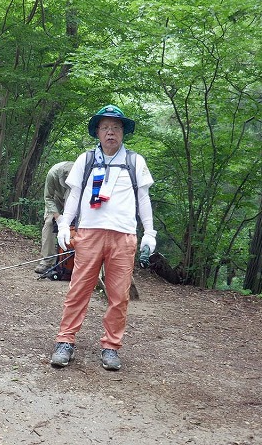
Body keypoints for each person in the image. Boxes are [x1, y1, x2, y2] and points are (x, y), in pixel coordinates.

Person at [50, 105, 157, 371]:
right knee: (78, 290)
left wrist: (149, 232)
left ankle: (111, 346)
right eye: (105, 127)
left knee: (119, 295)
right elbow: (74, 194)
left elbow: (143, 198)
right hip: (89, 233)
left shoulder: (135, 161)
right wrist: (65, 225)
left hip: (123, 235)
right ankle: (65, 341)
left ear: (123, 132)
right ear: (97, 131)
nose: (110, 133)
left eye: (116, 128)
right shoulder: (86, 160)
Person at [34, 161, 74, 274]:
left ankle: (73, 262)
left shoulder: (82, 173)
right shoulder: (53, 174)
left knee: (76, 227)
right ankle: (47, 261)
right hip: (56, 197)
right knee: (49, 223)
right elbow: (48, 197)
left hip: (74, 198)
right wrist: (58, 217)